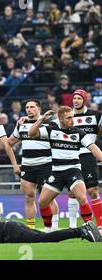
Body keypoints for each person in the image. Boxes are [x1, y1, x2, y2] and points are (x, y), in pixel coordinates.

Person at [28, 106, 102, 232]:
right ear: (61, 118)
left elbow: (93, 148)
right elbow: (31, 133)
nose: (73, 120)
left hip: (73, 170)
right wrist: (40, 120)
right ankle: (48, 229)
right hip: (56, 172)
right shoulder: (51, 130)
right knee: (42, 202)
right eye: (69, 118)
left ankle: (91, 229)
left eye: (73, 117)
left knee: (82, 198)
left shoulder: (79, 133)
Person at [8, 99, 59, 230]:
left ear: (39, 109)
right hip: (27, 165)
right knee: (29, 197)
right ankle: (30, 229)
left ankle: (54, 227)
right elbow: (10, 142)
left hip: (45, 164)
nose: (29, 109)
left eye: (32, 107)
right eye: (27, 107)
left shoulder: (49, 123)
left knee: (48, 198)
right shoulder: (21, 124)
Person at [69, 90, 102, 230]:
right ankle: (72, 226)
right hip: (71, 156)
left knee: (93, 190)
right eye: (74, 98)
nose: (76, 101)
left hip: (88, 156)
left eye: (79, 98)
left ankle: (100, 225)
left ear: (85, 100)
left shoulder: (96, 115)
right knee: (72, 192)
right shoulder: (67, 115)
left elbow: (99, 132)